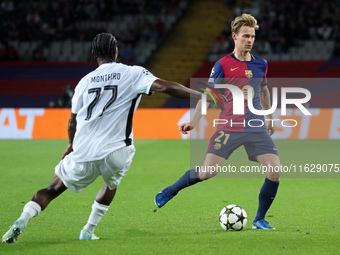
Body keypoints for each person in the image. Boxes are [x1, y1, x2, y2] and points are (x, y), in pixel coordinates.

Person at [2, 32, 211, 243]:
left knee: (52, 189)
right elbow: (165, 87)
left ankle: (22, 219)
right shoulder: (132, 73)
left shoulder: (84, 82)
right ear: (115, 51)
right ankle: (88, 230)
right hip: (117, 150)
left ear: (94, 54)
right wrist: (200, 94)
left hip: (83, 150)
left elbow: (72, 121)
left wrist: (71, 144)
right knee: (112, 182)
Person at [154, 14, 282, 230]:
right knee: (207, 172)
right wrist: (194, 121)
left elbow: (264, 90)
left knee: (275, 171)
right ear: (235, 36)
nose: (250, 40)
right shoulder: (222, 65)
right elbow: (208, 96)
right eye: (245, 36)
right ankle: (170, 190)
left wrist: (269, 116)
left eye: (252, 36)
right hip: (229, 127)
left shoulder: (262, 64)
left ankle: (259, 219)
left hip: (255, 127)